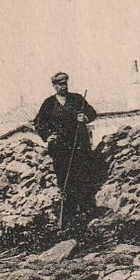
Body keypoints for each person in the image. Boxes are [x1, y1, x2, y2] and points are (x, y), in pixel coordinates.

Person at [34, 72, 98, 226]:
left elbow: (92, 113)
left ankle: (86, 212)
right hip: (60, 149)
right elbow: (38, 123)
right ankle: (68, 216)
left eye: (65, 83)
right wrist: (48, 135)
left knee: (83, 178)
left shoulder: (77, 99)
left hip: (79, 147)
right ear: (54, 86)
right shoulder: (49, 103)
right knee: (65, 180)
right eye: (60, 84)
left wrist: (85, 118)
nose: (63, 86)